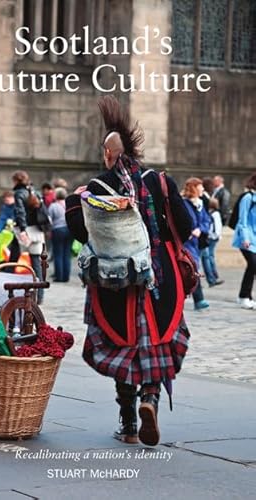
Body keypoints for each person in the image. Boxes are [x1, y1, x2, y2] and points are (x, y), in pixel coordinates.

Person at [65, 96, 192, 446]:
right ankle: (150, 398)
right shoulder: (160, 182)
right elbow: (187, 223)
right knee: (157, 342)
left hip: (114, 282)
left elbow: (78, 230)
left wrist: (74, 200)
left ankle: (129, 424)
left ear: (109, 155)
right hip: (159, 280)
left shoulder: (96, 188)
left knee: (123, 348)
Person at [10, 170, 45, 304]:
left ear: (16, 181)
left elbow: (20, 212)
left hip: (23, 231)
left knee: (12, 261)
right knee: (36, 264)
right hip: (37, 231)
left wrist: (23, 229)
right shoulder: (35, 192)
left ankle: (8, 291)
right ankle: (39, 296)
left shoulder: (19, 193)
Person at [182, 178, 211, 309]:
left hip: (196, 243)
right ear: (194, 188)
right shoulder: (184, 203)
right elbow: (183, 220)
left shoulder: (200, 204)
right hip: (186, 242)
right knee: (192, 269)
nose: (203, 189)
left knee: (193, 269)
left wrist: (200, 229)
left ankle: (198, 300)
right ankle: (198, 300)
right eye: (201, 187)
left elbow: (206, 220)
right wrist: (189, 230)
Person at [232, 173, 256, 310]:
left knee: (252, 267)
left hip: (255, 238)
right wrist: (245, 238)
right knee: (253, 265)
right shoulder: (248, 198)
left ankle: (246, 297)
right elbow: (242, 220)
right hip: (246, 238)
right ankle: (244, 297)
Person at [49, 187, 72, 282]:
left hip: (57, 230)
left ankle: (59, 276)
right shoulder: (69, 204)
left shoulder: (53, 206)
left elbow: (49, 219)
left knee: (58, 254)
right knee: (67, 254)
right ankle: (66, 277)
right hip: (69, 230)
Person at [207, 198, 224, 287]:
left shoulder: (215, 214)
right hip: (212, 236)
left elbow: (216, 226)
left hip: (212, 237)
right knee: (210, 256)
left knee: (210, 256)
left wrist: (215, 235)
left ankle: (213, 276)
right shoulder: (212, 213)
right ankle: (213, 276)